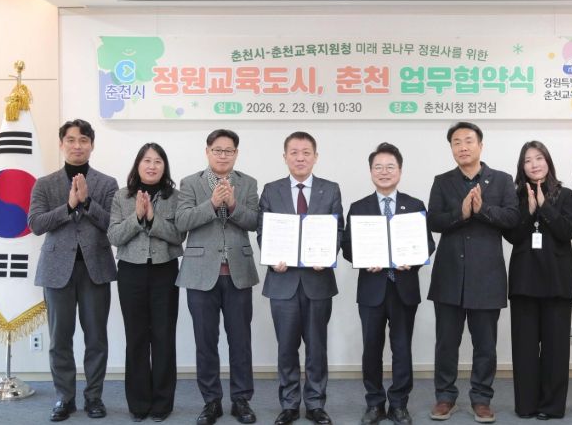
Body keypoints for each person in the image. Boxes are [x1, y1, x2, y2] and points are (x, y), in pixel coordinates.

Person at [427, 121, 519, 423]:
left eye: (468, 141)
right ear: (451, 148)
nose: (463, 147)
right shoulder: (442, 181)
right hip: (449, 275)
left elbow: (512, 218)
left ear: (480, 145)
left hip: (487, 276)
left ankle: (481, 399)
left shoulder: (502, 180)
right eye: (456, 142)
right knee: (446, 343)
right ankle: (445, 397)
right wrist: (462, 213)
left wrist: (482, 211)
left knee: (485, 345)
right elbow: (433, 220)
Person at [28, 119, 118, 422]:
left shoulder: (107, 183)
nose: (77, 146)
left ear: (92, 145)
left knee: (96, 339)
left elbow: (113, 225)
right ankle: (64, 398)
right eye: (70, 140)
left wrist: (87, 201)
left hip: (96, 270)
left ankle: (94, 398)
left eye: (83, 140)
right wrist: (68, 206)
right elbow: (36, 224)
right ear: (61, 144)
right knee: (59, 340)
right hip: (57, 271)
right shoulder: (44, 183)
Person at [341, 142, 435, 425]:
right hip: (372, 288)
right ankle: (374, 403)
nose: (384, 172)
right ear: (371, 171)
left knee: (402, 348)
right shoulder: (359, 207)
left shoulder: (415, 205)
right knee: (371, 348)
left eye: (390, 167)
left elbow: (428, 244)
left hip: (403, 287)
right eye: (378, 167)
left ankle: (398, 404)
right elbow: (347, 247)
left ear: (400, 171)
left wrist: (413, 260)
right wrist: (363, 259)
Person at [258, 131, 344, 425]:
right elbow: (263, 232)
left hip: (317, 281)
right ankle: (290, 404)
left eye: (306, 152)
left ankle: (316, 404)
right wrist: (272, 259)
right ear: (285, 157)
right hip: (282, 282)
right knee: (286, 347)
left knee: (317, 347)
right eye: (294, 152)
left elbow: (338, 231)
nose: (300, 158)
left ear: (315, 157)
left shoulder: (330, 189)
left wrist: (327, 254)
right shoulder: (271, 190)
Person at [175, 129, 259, 425]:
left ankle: (241, 400)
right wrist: (211, 203)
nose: (223, 155)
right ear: (207, 151)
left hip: (238, 272)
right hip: (200, 274)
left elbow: (255, 221)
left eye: (229, 151)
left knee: (241, 341)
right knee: (205, 341)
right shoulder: (190, 183)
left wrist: (233, 205)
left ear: (236, 153)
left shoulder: (248, 183)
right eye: (218, 150)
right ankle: (211, 401)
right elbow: (181, 222)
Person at [107, 143, 185, 422]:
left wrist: (153, 218)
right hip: (131, 272)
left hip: (165, 271)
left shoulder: (175, 197)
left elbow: (179, 235)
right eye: (147, 160)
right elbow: (114, 236)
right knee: (136, 337)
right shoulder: (121, 196)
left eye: (158, 161)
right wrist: (138, 217)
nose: (152, 166)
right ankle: (139, 403)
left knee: (164, 337)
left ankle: (163, 402)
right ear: (138, 165)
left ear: (165, 167)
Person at [504, 141, 572, 420]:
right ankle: (526, 405)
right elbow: (512, 236)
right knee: (524, 349)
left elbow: (566, 231)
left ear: (548, 161)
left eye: (539, 158)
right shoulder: (515, 196)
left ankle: (551, 406)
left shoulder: (566, 195)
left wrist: (544, 206)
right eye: (527, 160)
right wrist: (530, 210)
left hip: (556, 282)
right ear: (521, 167)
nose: (534, 164)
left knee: (556, 349)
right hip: (524, 282)